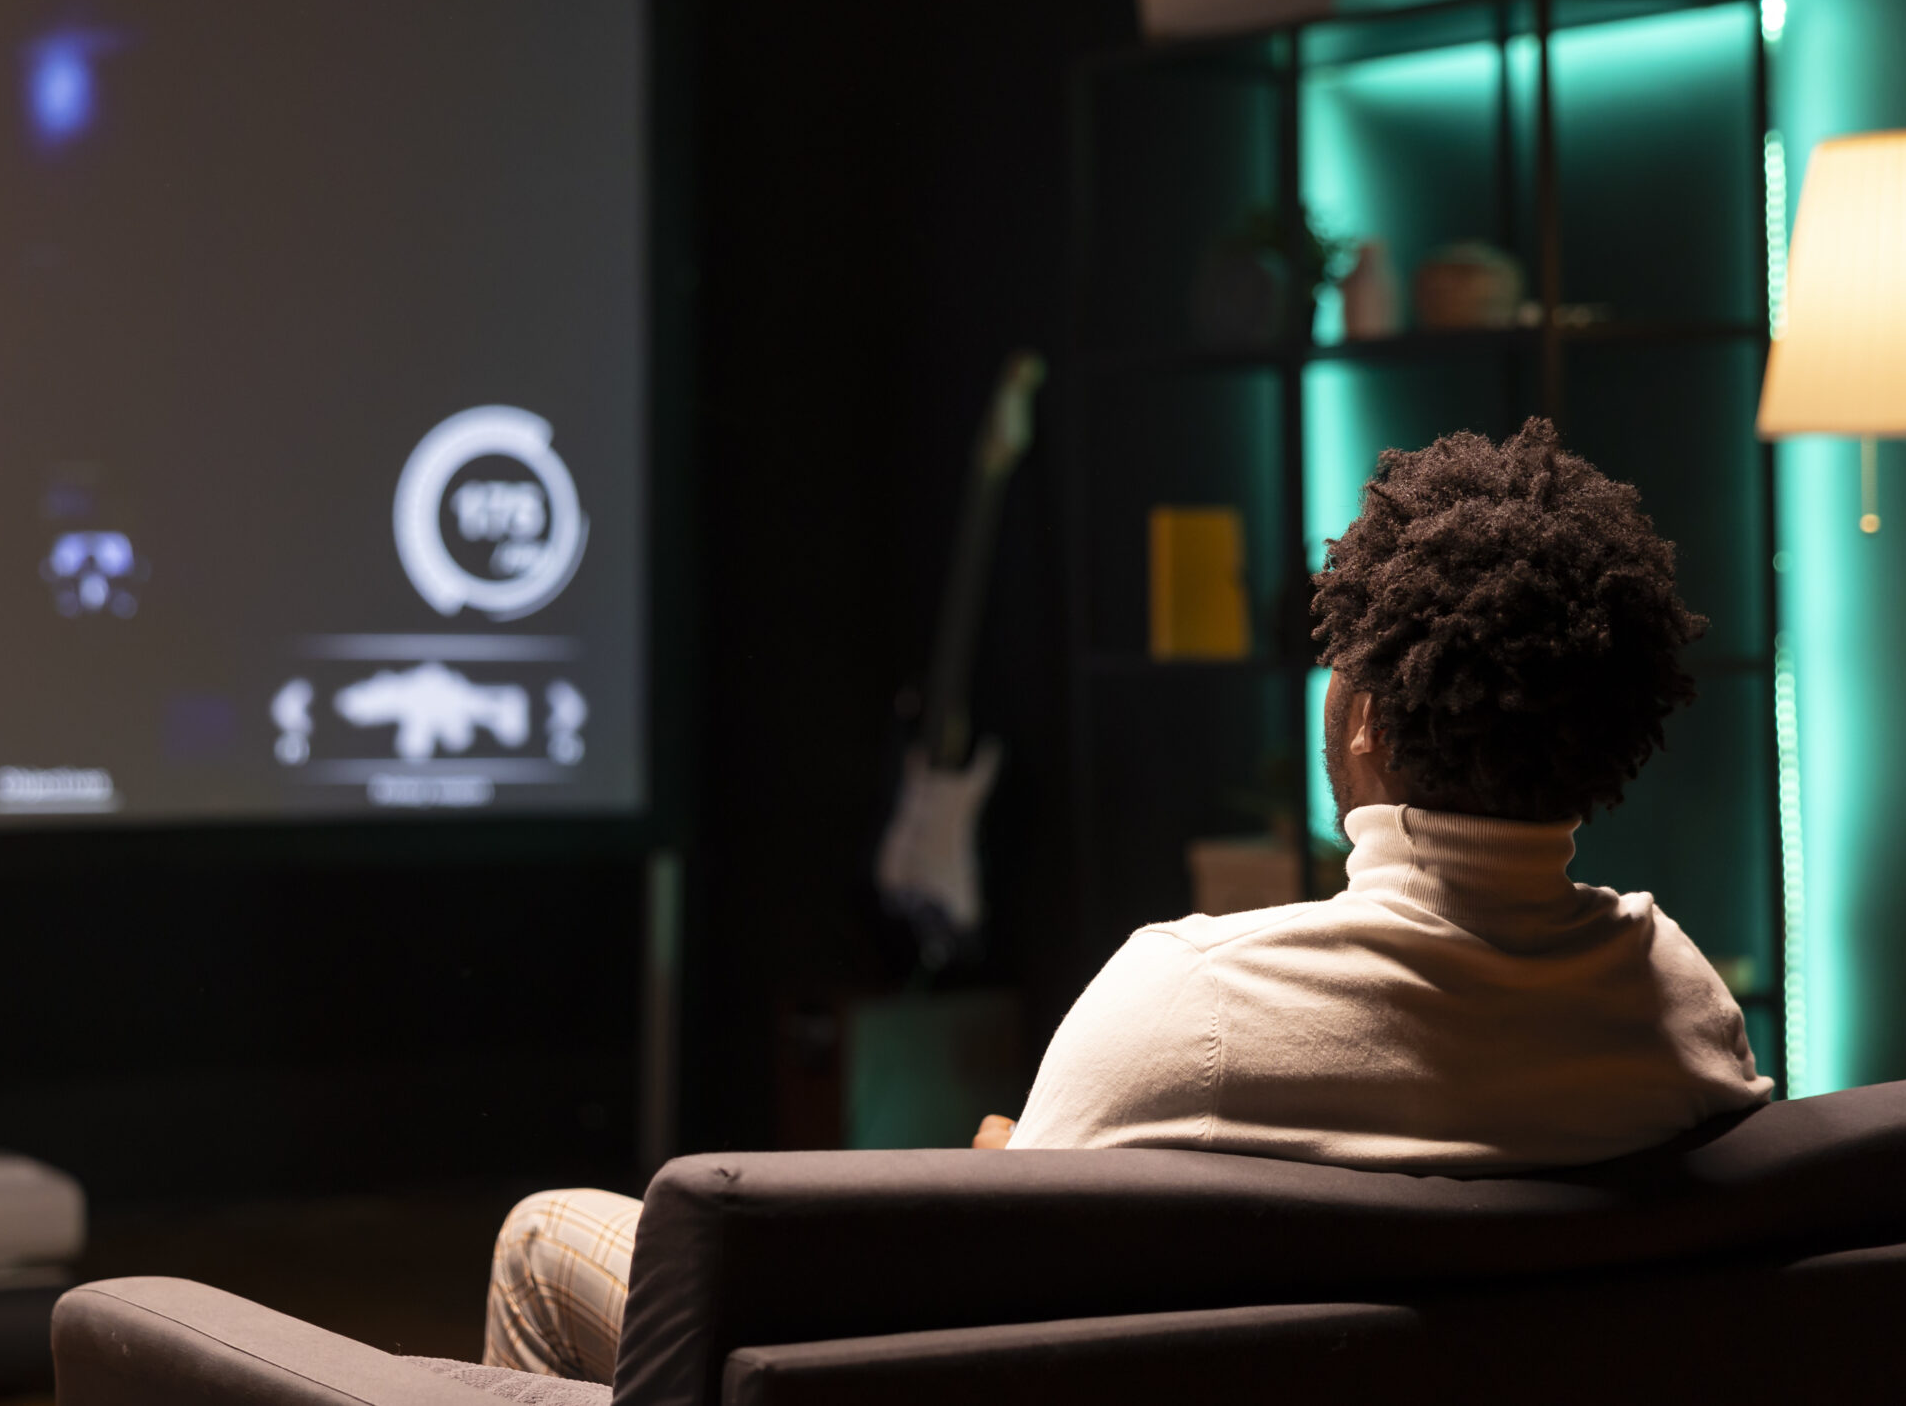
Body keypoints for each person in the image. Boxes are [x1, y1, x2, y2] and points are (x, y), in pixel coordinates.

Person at [484, 418, 1771, 1382]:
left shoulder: (1190, 1000)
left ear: (1367, 725)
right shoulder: (1678, 1003)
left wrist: (1009, 1173)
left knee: (545, 1240)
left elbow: (992, 1323)